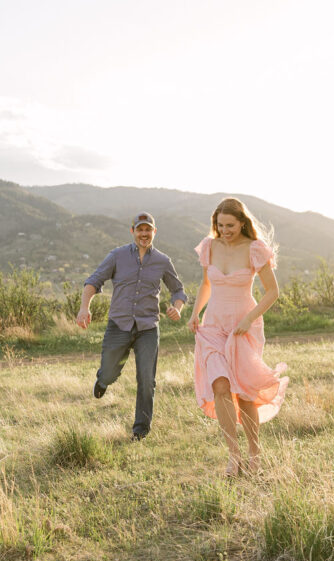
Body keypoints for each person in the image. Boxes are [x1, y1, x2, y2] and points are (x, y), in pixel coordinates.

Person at [187, 197, 288, 476]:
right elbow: (206, 284)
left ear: (242, 222)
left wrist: (248, 319)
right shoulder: (210, 246)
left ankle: (254, 453)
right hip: (213, 326)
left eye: (230, 225)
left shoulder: (255, 249)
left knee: (244, 392)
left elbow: (272, 292)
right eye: (220, 225)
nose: (225, 230)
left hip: (243, 325)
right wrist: (195, 312)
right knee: (220, 386)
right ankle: (234, 455)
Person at [76, 212, 187, 440]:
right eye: (140, 229)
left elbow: (178, 290)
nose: (144, 234)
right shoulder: (116, 256)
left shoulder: (163, 261)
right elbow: (94, 280)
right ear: (133, 231)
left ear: (154, 232)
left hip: (148, 327)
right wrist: (84, 307)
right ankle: (103, 379)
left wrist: (178, 307)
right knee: (109, 370)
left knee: (147, 379)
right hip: (119, 324)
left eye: (148, 230)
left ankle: (140, 431)